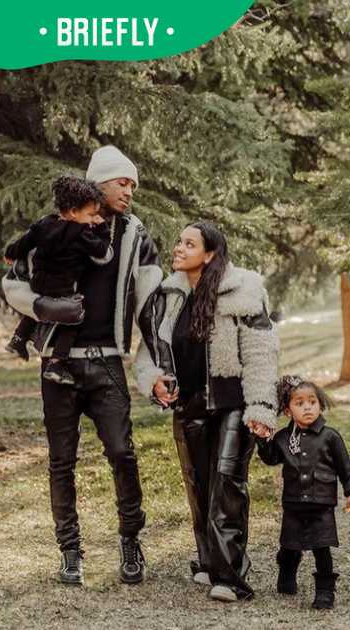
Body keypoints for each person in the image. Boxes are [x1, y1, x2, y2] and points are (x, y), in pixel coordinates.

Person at [1, 145, 160, 586]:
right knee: (61, 462)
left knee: (122, 455)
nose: (129, 191)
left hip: (108, 364)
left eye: (133, 184)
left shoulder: (135, 235)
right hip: (58, 365)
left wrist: (156, 368)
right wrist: (43, 307)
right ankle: (70, 553)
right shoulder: (56, 226)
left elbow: (150, 307)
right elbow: (11, 281)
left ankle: (131, 542)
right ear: (99, 183)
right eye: (122, 182)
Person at [134, 221, 279, 602]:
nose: (179, 248)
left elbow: (262, 352)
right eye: (179, 241)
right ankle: (210, 562)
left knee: (226, 486)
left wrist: (262, 406)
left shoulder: (244, 290)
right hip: (188, 405)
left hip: (232, 404)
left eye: (189, 243)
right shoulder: (168, 294)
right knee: (199, 488)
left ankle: (231, 578)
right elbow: (149, 350)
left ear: (210, 253)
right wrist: (153, 380)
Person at [257, 376, 350, 610]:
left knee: (322, 549)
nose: (307, 407)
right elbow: (271, 458)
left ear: (320, 404)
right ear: (287, 410)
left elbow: (345, 467)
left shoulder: (330, 436)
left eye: (312, 402)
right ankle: (286, 573)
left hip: (321, 505)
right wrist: (262, 439)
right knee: (289, 546)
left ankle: (325, 592)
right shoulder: (284, 437)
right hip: (293, 504)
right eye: (300, 403)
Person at [4, 174, 113, 385]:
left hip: (39, 282)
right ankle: (57, 363)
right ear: (73, 212)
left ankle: (18, 339)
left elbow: (24, 242)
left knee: (40, 308)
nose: (93, 219)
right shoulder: (81, 233)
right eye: (91, 214)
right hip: (63, 286)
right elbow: (102, 251)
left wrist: (11, 252)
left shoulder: (44, 224)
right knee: (73, 319)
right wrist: (102, 229)